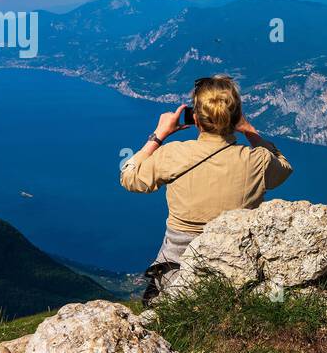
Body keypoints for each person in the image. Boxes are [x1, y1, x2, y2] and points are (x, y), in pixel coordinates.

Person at [121, 75, 292, 304]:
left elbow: (129, 177)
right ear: (235, 117)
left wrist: (158, 135)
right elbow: (284, 167)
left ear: (196, 119)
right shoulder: (257, 160)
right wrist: (250, 130)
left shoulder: (173, 154)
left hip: (176, 272)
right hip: (236, 270)